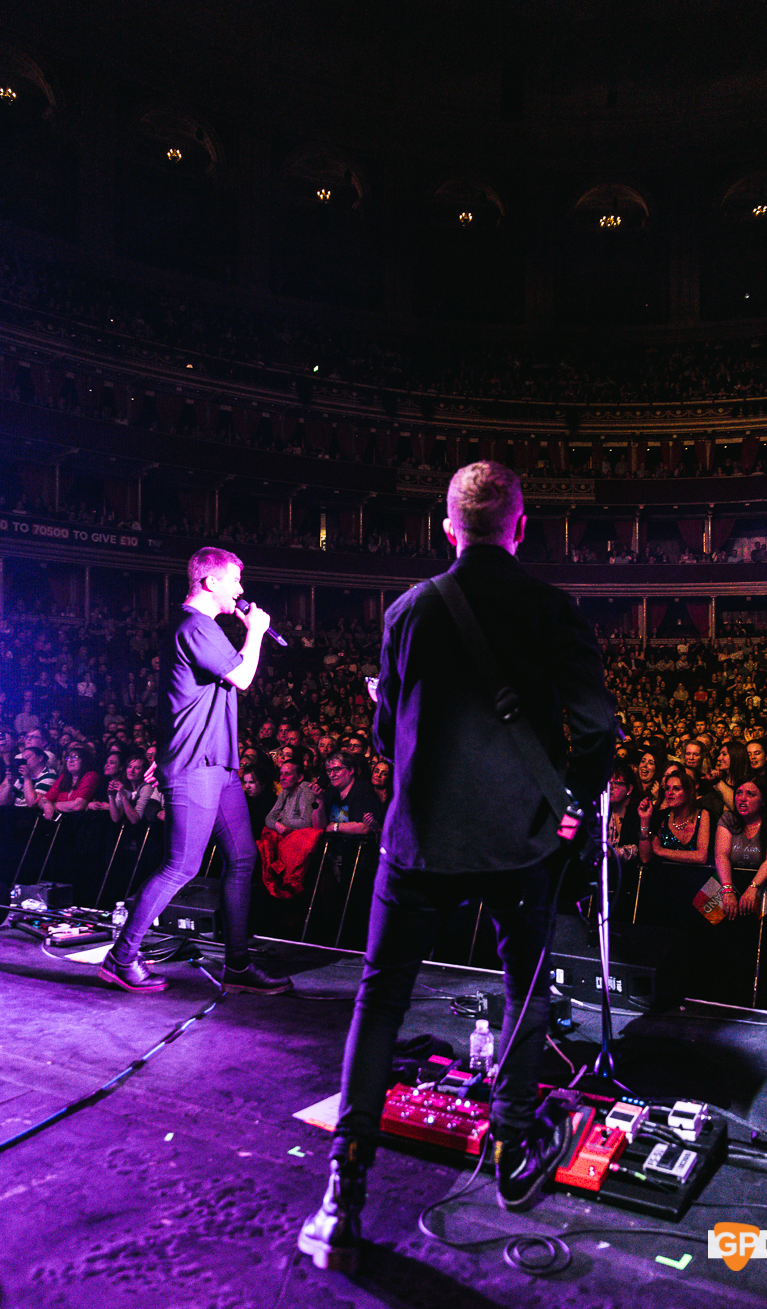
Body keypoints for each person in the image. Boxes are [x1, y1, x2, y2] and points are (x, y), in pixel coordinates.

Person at [297, 461, 616, 1270]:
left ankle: (344, 1191)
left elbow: (381, 742)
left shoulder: (408, 612)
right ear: (518, 525)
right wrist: (570, 807)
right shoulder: (553, 610)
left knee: (379, 998)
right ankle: (512, 1153)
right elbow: (597, 734)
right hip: (523, 845)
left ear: (448, 528)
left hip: (421, 844)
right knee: (524, 991)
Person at [100, 547, 291, 996]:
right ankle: (121, 957)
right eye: (235, 581)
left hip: (218, 764)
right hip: (195, 768)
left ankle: (238, 966)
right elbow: (242, 677)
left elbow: (180, 700)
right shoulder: (195, 626)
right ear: (210, 583)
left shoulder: (200, 629)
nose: (242, 591)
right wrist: (257, 633)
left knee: (243, 859)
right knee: (180, 866)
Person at [713, 776, 767, 919]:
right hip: (731, 882)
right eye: (739, 793)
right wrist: (727, 890)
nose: (742, 798)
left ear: (763, 800)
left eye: (750, 794)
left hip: (765, 887)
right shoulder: (728, 818)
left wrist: (753, 887)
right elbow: (721, 855)